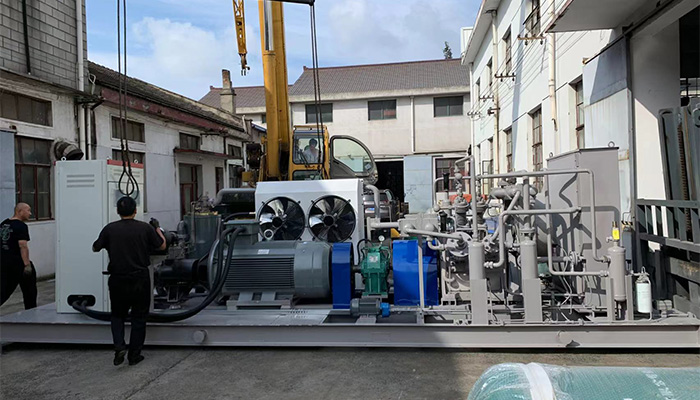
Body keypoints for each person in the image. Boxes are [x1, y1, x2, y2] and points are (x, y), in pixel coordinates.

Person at [93, 196, 165, 366]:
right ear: (135, 210)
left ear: (118, 211)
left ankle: (119, 346)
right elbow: (162, 245)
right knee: (139, 317)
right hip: (140, 278)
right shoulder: (145, 228)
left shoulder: (109, 229)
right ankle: (134, 355)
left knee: (117, 315)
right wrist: (157, 228)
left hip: (117, 278)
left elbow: (95, 247)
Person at [0, 203, 37, 309]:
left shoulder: (3, 224)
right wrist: (27, 265)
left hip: (3, 262)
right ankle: (31, 311)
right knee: (30, 291)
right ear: (20, 211)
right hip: (17, 264)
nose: (30, 213)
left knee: (3, 290)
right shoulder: (21, 226)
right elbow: (23, 246)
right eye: (28, 210)